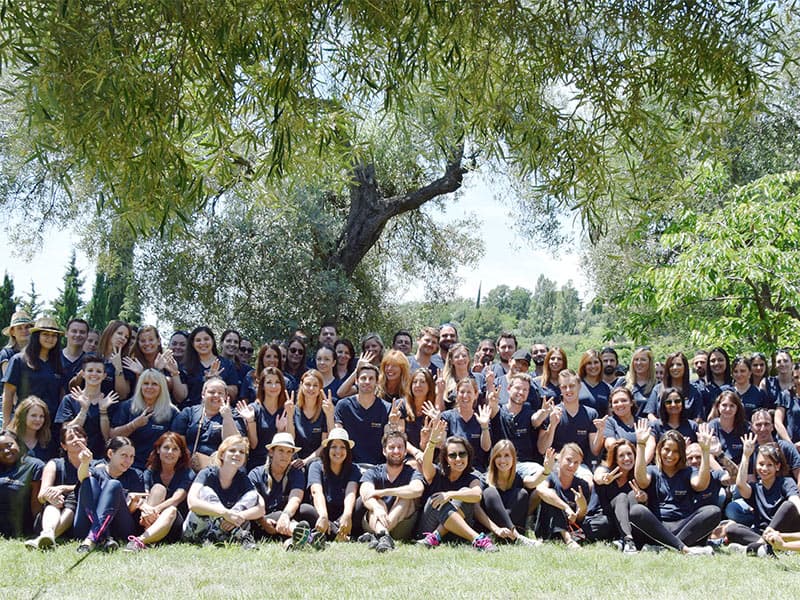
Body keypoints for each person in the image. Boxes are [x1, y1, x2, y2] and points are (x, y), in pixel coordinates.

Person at [630, 420, 720, 554]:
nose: (670, 455)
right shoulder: (653, 470)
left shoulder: (689, 471)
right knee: (637, 511)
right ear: (660, 449)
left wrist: (706, 451)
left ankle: (668, 547)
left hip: (684, 524)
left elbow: (701, 485)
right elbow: (642, 481)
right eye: (666, 450)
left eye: (675, 451)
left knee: (713, 511)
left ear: (681, 454)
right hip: (658, 526)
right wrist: (641, 444)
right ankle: (682, 547)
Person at [416, 420, 497, 552]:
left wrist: (450, 494)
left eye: (462, 454)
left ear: (468, 455)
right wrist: (431, 443)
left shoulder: (473, 477)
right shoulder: (437, 473)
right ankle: (478, 539)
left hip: (456, 533)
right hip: (429, 527)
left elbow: (477, 495)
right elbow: (426, 466)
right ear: (446, 459)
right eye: (452, 455)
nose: (458, 459)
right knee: (436, 499)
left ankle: (437, 535)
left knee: (464, 492)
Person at [182, 434, 264, 549]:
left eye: (241, 452)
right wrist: (224, 513)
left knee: (252, 495)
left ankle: (231, 534)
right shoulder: (207, 473)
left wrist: (237, 516)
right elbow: (192, 503)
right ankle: (241, 536)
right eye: (232, 450)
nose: (237, 454)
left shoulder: (242, 478)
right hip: (196, 533)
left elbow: (261, 508)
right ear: (222, 454)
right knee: (206, 491)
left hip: (222, 534)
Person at [724, 434, 800, 555]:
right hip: (762, 531)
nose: (764, 468)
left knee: (788, 505)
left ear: (777, 466)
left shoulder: (786, 482)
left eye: (769, 465)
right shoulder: (755, 488)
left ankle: (757, 546)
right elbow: (740, 485)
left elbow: (795, 500)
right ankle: (767, 547)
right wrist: (746, 455)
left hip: (782, 531)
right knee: (731, 529)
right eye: (761, 464)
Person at [73, 436, 144, 552]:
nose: (128, 461)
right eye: (124, 455)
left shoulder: (136, 475)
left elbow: (131, 511)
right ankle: (103, 536)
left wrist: (133, 502)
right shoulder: (96, 470)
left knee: (114, 485)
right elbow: (82, 478)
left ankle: (92, 539)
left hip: (119, 528)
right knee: (89, 481)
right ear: (110, 454)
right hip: (86, 526)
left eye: (131, 457)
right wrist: (85, 463)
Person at [126, 431, 195, 550]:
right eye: (166, 448)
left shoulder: (187, 473)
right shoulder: (150, 471)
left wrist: (153, 510)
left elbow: (176, 499)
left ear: (180, 454)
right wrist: (146, 509)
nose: (170, 452)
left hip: (172, 523)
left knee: (171, 509)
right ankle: (149, 536)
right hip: (148, 519)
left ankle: (140, 541)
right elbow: (145, 496)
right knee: (158, 489)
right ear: (158, 450)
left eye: (175, 449)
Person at [358, 430, 425, 550]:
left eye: (400, 447)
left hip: (402, 526)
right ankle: (383, 536)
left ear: (405, 451)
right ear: (384, 451)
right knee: (377, 501)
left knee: (406, 498)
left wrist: (385, 492)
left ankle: (379, 536)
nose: (396, 451)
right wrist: (377, 508)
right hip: (375, 521)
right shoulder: (374, 471)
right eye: (391, 447)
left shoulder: (412, 472)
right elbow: (365, 493)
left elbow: (417, 490)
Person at [24, 424, 87, 549]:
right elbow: (41, 496)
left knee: (74, 496)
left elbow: (88, 485)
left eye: (80, 436)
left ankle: (44, 538)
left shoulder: (97, 465)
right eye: (71, 438)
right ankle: (48, 533)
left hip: (78, 519)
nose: (76, 440)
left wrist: (63, 488)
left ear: (86, 440)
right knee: (53, 498)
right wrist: (50, 496)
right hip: (48, 517)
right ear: (64, 446)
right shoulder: (54, 464)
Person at [247, 432, 316, 547]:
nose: (285, 455)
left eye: (289, 452)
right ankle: (309, 537)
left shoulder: (296, 472)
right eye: (281, 451)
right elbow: (252, 504)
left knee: (306, 510)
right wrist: (263, 521)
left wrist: (286, 515)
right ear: (271, 452)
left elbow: (296, 498)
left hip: (287, 516)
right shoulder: (256, 474)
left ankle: (292, 541)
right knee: (276, 516)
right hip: (264, 521)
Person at [475, 440, 549, 546]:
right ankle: (516, 537)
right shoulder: (484, 479)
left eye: (507, 455)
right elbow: (476, 508)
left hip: (510, 529)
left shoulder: (518, 477)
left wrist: (546, 471)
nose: (502, 460)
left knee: (522, 493)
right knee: (490, 492)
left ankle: (510, 535)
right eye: (498, 456)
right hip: (491, 528)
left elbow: (532, 482)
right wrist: (495, 529)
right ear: (493, 459)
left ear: (513, 458)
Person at [536, 442, 609, 548]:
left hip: (572, 526)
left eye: (576, 463)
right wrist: (566, 508)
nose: (572, 465)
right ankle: (568, 539)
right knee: (551, 497)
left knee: (604, 522)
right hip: (550, 524)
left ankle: (572, 536)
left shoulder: (582, 484)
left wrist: (581, 508)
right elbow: (540, 490)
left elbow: (579, 518)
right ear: (560, 458)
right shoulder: (550, 477)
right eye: (568, 460)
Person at [2, 316, 64, 431]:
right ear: (36, 336)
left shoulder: (59, 362)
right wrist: (6, 424)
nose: (50, 339)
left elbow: (61, 394)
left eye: (54, 335)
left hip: (52, 426)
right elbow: (8, 393)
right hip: (24, 425)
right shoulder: (19, 360)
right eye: (45, 334)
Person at [537, 370, 605, 474]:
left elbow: (595, 450)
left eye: (572, 386)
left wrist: (600, 432)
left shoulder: (591, 414)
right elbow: (542, 449)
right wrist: (552, 425)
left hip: (580, 466)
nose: (568, 390)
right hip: (555, 464)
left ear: (579, 386)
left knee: (589, 483)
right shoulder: (552, 413)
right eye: (564, 387)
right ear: (560, 389)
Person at [110, 369, 179, 470]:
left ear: (162, 388)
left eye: (154, 384)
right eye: (146, 383)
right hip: (128, 464)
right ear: (140, 386)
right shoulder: (127, 406)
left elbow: (176, 444)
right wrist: (134, 425)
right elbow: (112, 436)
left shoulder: (172, 412)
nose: (149, 387)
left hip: (157, 466)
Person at [171, 377, 243, 471]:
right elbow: (178, 441)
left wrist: (227, 417)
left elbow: (235, 443)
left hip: (220, 466)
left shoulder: (233, 415)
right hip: (189, 465)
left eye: (220, 393)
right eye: (212, 392)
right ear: (203, 394)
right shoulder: (189, 413)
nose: (216, 395)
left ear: (226, 396)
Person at [55, 355, 117, 458]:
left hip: (100, 458)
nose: (94, 374)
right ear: (83, 374)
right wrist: (83, 410)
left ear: (104, 375)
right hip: (74, 457)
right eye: (90, 370)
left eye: (98, 371)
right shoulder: (69, 399)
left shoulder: (110, 401)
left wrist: (103, 411)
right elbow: (67, 431)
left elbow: (107, 438)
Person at [306, 428, 361, 541]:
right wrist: (323, 515)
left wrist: (347, 515)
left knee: (362, 502)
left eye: (342, 447)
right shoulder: (316, 466)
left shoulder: (354, 469)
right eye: (334, 447)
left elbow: (351, 493)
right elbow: (316, 492)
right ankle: (340, 535)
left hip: (344, 514)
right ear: (327, 449)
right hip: (322, 513)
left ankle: (332, 532)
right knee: (304, 510)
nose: (338, 451)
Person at [594, 439, 648, 553]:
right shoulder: (605, 470)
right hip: (602, 522)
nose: (627, 458)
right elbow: (598, 476)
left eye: (629, 454)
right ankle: (628, 541)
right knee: (622, 496)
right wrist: (603, 478)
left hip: (622, 525)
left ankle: (628, 541)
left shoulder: (636, 478)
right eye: (621, 455)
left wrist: (643, 499)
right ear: (615, 459)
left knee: (633, 495)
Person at [334, 363, 391, 466]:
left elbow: (389, 442)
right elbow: (337, 438)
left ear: (377, 382)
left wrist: (393, 424)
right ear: (356, 380)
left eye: (371, 378)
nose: (367, 382)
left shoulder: (387, 408)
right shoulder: (343, 406)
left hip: (377, 467)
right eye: (363, 378)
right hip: (349, 466)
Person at [236, 366, 289, 470]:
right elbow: (253, 445)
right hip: (256, 463)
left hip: (279, 462)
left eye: (277, 382)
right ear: (262, 386)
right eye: (269, 382)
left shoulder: (286, 410)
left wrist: (280, 431)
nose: (273, 386)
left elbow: (284, 446)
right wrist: (251, 421)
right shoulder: (253, 409)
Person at [439, 377, 494, 470]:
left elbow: (486, 448)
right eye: (462, 392)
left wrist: (484, 426)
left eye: (469, 392)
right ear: (456, 394)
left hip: (475, 469)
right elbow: (441, 446)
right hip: (452, 468)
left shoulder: (482, 416)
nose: (465, 396)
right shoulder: (447, 417)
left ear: (476, 395)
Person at [123, 325, 186, 404]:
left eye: (151, 340)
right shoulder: (132, 363)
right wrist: (139, 375)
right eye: (143, 341)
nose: (147, 343)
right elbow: (129, 396)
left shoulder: (170, 362)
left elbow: (180, 397)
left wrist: (173, 372)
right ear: (138, 343)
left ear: (159, 341)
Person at [285, 369, 334, 468]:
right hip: (295, 461)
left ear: (320, 387)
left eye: (315, 385)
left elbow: (325, 443)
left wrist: (329, 415)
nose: (311, 388)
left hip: (318, 461)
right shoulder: (293, 409)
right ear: (301, 385)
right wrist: (289, 416)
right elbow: (290, 439)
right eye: (307, 384)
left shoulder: (325, 410)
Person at [0, 429, 44, 538]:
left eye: (9, 445)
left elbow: (36, 503)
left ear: (19, 443)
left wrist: (37, 530)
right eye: (0, 449)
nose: (5, 451)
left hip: (20, 525)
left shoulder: (34, 466)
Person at [182, 326, 239, 406]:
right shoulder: (185, 366)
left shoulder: (227, 364)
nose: (202, 343)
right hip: (192, 412)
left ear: (212, 341)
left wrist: (217, 381)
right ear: (192, 343)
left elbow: (234, 393)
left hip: (220, 412)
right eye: (198, 340)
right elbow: (181, 396)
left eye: (206, 339)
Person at [645, 387, 699, 464]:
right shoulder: (655, 426)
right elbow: (651, 447)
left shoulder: (693, 426)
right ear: (663, 404)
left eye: (677, 401)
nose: (673, 405)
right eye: (669, 402)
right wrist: (643, 466)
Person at [645, 352, 704, 421]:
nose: (675, 368)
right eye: (671, 365)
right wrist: (660, 427)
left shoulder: (694, 391)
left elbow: (698, 418)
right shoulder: (657, 389)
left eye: (679, 365)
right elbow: (650, 414)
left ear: (685, 367)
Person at [94, 320, 136, 399]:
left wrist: (118, 368)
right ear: (109, 333)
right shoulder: (91, 356)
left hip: (113, 406)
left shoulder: (126, 363)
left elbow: (122, 395)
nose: (123, 338)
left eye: (126, 337)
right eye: (119, 333)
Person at [707, 390, 750, 465]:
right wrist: (722, 473)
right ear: (718, 406)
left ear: (737, 408)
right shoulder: (711, 427)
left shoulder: (746, 428)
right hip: (717, 472)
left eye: (732, 406)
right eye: (724, 405)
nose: (728, 409)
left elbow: (748, 457)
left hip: (740, 470)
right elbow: (709, 458)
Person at [6, 396, 53, 461]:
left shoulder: (47, 440)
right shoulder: (9, 439)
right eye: (33, 415)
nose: (38, 419)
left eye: (41, 416)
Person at [440, 343, 484, 410]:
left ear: (469, 358)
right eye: (456, 357)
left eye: (464, 356)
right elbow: (441, 409)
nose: (461, 359)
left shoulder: (479, 378)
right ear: (451, 361)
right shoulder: (445, 381)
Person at [701, 347, 734, 418]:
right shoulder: (701, 386)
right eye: (713, 361)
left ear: (726, 362)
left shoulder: (735, 384)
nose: (716, 363)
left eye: (720, 360)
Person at [775, 361, 800, 450]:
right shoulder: (785, 395)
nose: (799, 381)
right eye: (796, 377)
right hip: (788, 446)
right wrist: (790, 445)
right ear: (792, 378)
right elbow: (777, 422)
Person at [625, 347, 656, 418]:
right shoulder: (623, 382)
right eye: (636, 359)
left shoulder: (657, 385)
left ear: (650, 362)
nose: (639, 363)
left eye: (643, 360)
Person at [577, 349, 611, 415]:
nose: (593, 366)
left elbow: (610, 413)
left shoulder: (607, 388)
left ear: (601, 364)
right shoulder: (576, 385)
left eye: (596, 362)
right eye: (589, 363)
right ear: (584, 366)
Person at [0, 311, 32, 378]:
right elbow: (8, 380)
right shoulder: (6, 354)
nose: (24, 330)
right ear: (12, 332)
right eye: (19, 328)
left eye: (27, 327)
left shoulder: (37, 352)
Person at [59, 318, 88, 390]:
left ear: (87, 335)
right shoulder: (54, 357)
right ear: (66, 333)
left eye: (82, 332)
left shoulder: (89, 361)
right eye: (74, 331)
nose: (78, 335)